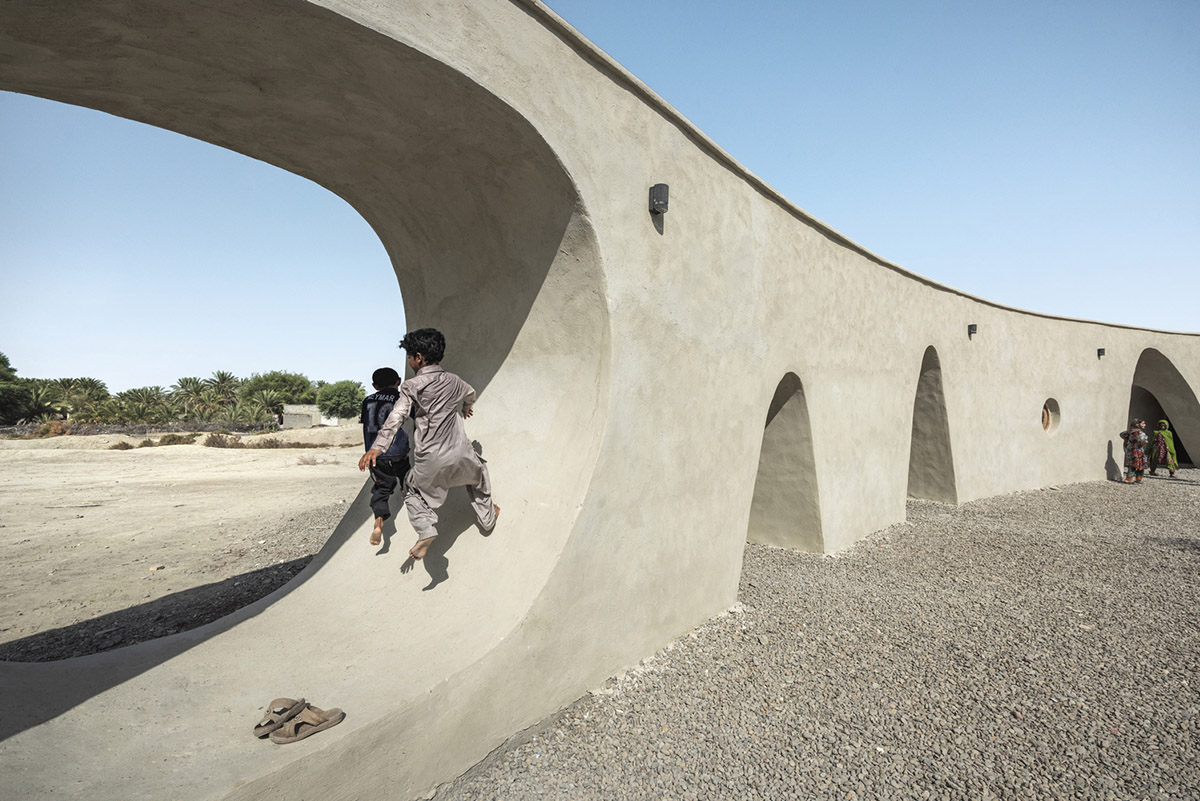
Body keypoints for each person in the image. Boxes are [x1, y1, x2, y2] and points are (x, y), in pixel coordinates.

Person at [358, 328, 498, 560]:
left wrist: (378, 447)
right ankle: (487, 518)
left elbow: (397, 416)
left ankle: (425, 530)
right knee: (480, 475)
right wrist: (465, 406)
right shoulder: (455, 380)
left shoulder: (411, 386)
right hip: (463, 457)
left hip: (430, 461)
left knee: (410, 488)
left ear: (419, 358)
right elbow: (471, 394)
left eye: (410, 357)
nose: (410, 362)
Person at [360, 367, 411, 546]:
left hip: (375, 455)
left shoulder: (367, 401)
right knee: (407, 477)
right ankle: (411, 498)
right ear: (398, 381)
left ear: (374, 385)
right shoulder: (400, 398)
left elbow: (367, 423)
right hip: (398, 451)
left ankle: (379, 519)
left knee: (381, 488)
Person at [1119, 418, 1148, 483]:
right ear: (1137, 424)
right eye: (1143, 423)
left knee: (1132, 464)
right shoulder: (1140, 433)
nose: (1144, 425)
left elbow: (1121, 435)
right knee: (1138, 464)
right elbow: (1143, 440)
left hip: (1131, 450)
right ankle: (1135, 478)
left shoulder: (1128, 432)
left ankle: (1130, 478)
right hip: (1137, 450)